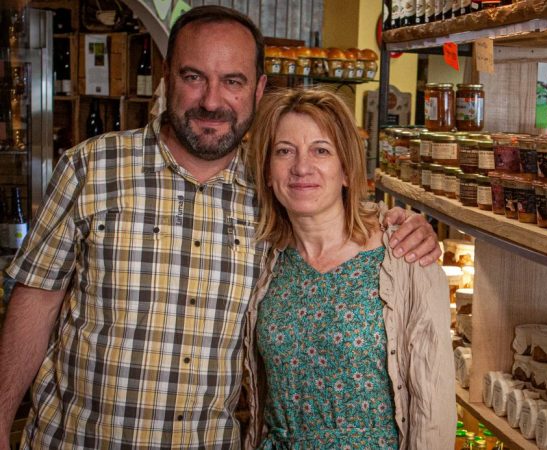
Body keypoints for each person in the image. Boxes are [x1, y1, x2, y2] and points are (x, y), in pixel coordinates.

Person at [0, 6, 440, 449]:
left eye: (233, 81)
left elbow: (333, 216)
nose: (212, 101)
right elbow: (35, 298)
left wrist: (401, 224)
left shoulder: (271, 189)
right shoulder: (90, 168)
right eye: (194, 77)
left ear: (258, 88)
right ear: (167, 77)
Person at [241, 88, 454, 449]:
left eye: (321, 150)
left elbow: (433, 406)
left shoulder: (403, 255)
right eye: (284, 151)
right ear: (266, 171)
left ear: (346, 170)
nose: (301, 167)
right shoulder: (262, 261)